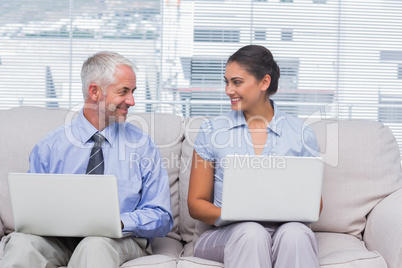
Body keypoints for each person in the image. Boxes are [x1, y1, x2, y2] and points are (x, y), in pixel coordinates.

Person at [0, 51, 173, 267]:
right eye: (124, 92)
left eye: (133, 92)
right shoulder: (50, 147)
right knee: (21, 244)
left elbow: (162, 216)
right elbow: (31, 211)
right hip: (59, 240)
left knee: (94, 245)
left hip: (116, 240)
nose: (132, 101)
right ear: (94, 91)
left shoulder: (142, 146)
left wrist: (118, 222)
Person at [188, 45, 322, 268]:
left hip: (285, 230)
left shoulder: (301, 133)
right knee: (252, 233)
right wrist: (234, 215)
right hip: (228, 233)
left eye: (237, 82)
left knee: (296, 234)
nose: (228, 90)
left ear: (264, 82)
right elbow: (195, 204)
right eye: (227, 81)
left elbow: (314, 205)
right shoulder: (212, 130)